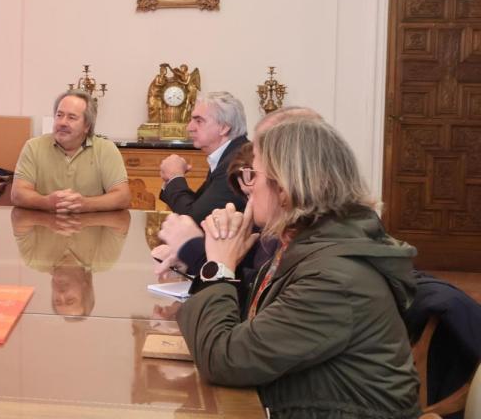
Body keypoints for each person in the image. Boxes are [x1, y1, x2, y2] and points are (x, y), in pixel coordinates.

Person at [177, 117, 420, 418]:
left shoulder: (334, 279)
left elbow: (224, 359)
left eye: (254, 173)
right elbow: (248, 338)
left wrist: (219, 266)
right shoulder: (305, 248)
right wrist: (231, 265)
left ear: (285, 188)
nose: (248, 186)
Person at [154, 106, 320, 278]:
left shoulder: (319, 259)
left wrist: (194, 251)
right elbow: (249, 277)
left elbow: (245, 302)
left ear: (285, 175)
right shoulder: (283, 232)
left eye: (254, 170)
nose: (189, 127)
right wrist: (195, 261)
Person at [11, 89, 130, 213]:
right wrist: (46, 202)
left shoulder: (106, 149)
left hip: (91, 228)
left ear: (87, 126)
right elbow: (18, 194)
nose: (62, 122)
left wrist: (85, 204)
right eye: (59, 115)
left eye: (72, 117)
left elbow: (122, 197)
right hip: (43, 227)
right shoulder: (33, 147)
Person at [158, 91, 248, 222]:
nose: (189, 127)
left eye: (199, 121)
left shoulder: (236, 163)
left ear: (224, 127)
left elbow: (193, 220)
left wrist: (175, 177)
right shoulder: (229, 154)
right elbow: (198, 207)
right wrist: (172, 180)